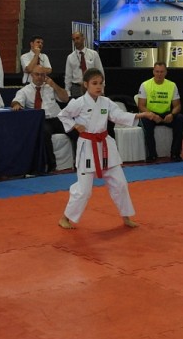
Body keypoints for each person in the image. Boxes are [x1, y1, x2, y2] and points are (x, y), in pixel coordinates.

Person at [58, 68, 153, 229]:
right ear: (86, 84)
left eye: (101, 83)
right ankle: (65, 218)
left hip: (105, 147)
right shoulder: (79, 102)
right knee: (84, 190)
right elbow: (63, 115)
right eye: (94, 83)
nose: (98, 86)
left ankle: (126, 217)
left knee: (120, 184)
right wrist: (75, 125)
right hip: (87, 147)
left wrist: (139, 115)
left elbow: (118, 116)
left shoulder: (106, 102)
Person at [12, 68, 78, 172]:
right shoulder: (24, 91)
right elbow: (16, 101)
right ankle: (52, 165)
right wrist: (16, 105)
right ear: (32, 75)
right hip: (42, 120)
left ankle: (79, 162)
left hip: (57, 118)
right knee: (44, 132)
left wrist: (54, 85)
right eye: (37, 74)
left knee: (76, 130)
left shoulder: (50, 87)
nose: (40, 77)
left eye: (42, 75)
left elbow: (65, 99)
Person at [137, 61, 183, 162]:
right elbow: (141, 106)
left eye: (161, 72)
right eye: (157, 71)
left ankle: (175, 154)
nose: (159, 74)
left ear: (166, 72)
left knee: (180, 119)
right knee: (145, 121)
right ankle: (152, 154)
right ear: (153, 72)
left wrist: (172, 114)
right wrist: (152, 115)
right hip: (151, 114)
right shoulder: (145, 85)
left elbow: (177, 105)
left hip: (166, 114)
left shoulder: (172, 85)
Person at [64, 31, 104, 99]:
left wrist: (102, 88)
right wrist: (67, 92)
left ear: (83, 38)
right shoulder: (70, 57)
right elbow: (68, 76)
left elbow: (100, 72)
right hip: (77, 87)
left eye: (77, 38)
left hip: (92, 85)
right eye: (74, 39)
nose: (76, 41)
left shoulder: (93, 54)